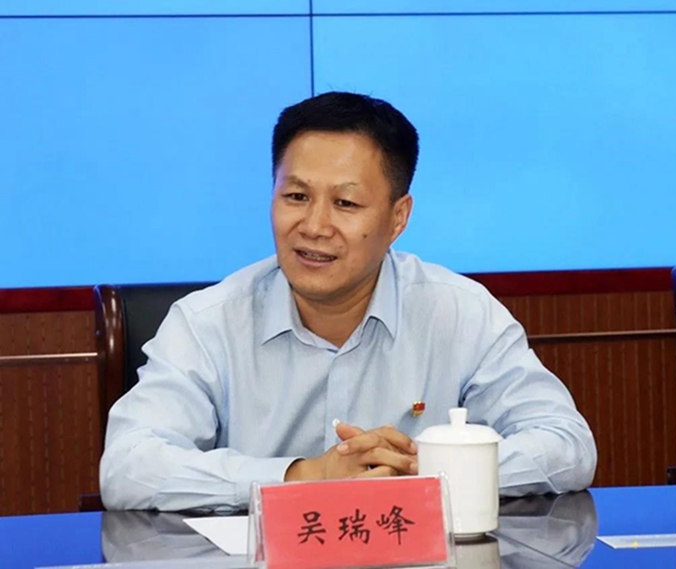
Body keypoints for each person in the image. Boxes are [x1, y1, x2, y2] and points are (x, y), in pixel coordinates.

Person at [100, 91, 597, 511]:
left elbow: (567, 445)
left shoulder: (460, 313)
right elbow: (128, 466)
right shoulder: (208, 322)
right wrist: (303, 477)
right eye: (296, 197)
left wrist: (425, 471)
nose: (315, 226)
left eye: (345, 203)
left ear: (398, 217)